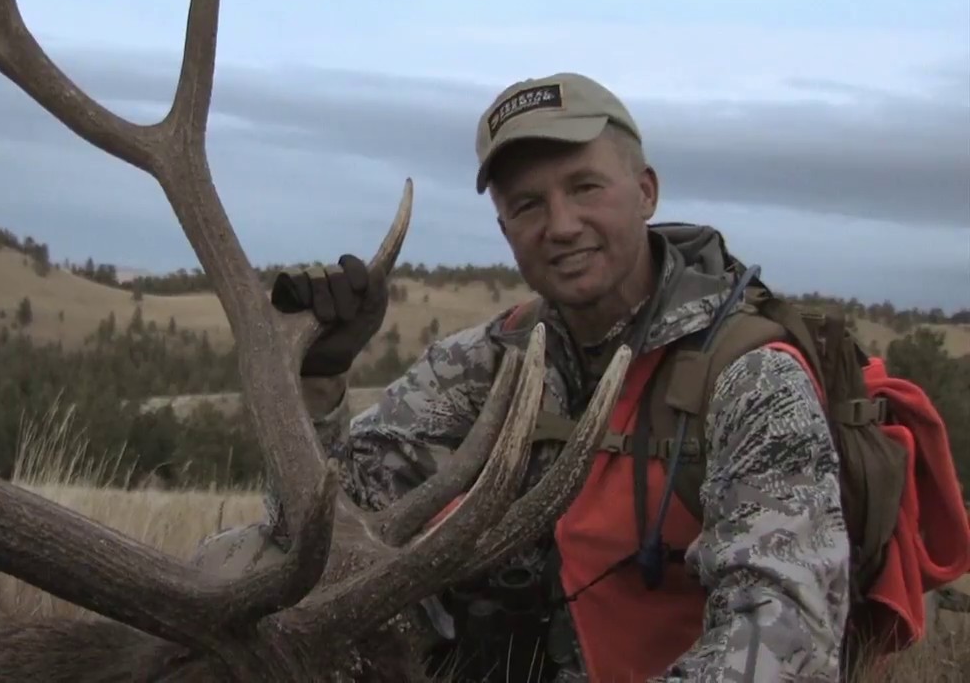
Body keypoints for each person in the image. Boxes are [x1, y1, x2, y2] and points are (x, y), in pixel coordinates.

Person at [195, 72, 852, 681]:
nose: (560, 226)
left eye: (586, 188)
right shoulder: (483, 364)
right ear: (504, 227)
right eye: (529, 204)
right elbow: (308, 539)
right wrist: (319, 380)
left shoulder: (751, 378)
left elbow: (786, 640)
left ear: (646, 191)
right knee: (238, 567)